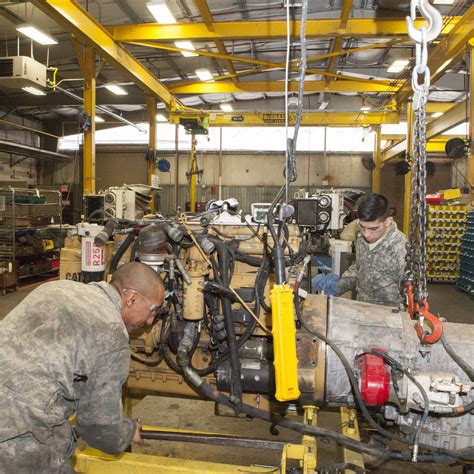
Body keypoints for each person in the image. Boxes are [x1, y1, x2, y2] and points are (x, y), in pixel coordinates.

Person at [0, 261, 165, 473]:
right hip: (17, 432)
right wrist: (128, 431)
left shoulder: (58, 287)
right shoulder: (111, 332)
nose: (150, 321)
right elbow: (99, 428)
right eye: (152, 310)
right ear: (131, 299)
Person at [312, 193, 406, 308]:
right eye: (362, 226)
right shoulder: (361, 239)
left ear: (388, 222)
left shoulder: (401, 248)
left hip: (390, 315)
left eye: (373, 229)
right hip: (361, 309)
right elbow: (358, 267)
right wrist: (339, 285)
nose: (367, 234)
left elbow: (411, 293)